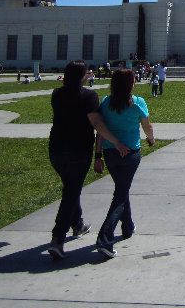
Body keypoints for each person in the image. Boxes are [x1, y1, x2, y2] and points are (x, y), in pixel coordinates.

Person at [47, 61, 129, 260]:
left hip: (56, 149)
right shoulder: (89, 96)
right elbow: (96, 122)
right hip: (78, 150)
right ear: (82, 76)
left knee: (70, 188)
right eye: (87, 72)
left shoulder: (56, 94)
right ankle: (58, 238)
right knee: (71, 191)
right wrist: (115, 142)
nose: (90, 74)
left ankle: (78, 224)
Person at [94, 68, 155, 259]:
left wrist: (97, 155)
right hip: (130, 154)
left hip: (110, 153)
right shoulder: (137, 103)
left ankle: (127, 227)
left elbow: (99, 130)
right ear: (131, 84)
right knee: (120, 194)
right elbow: (147, 126)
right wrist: (151, 139)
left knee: (122, 189)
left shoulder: (105, 102)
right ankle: (105, 237)